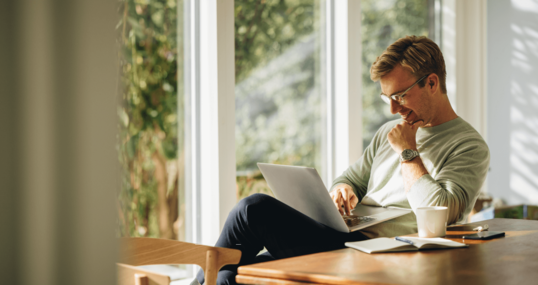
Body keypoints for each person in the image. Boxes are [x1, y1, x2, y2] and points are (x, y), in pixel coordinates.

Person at [193, 35, 490, 285]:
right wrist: (341, 190)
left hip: (384, 251)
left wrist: (408, 152)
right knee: (231, 274)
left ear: (432, 83)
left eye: (399, 96)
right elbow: (350, 179)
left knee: (253, 209)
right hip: (343, 235)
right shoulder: (389, 132)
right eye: (386, 98)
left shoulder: (469, 145)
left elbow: (446, 211)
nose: (391, 110)